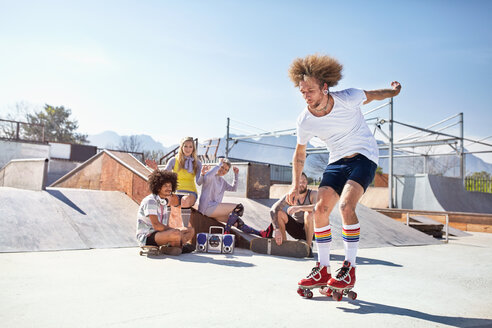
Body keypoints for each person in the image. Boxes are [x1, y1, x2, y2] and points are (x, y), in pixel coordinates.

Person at [286, 54, 401, 292]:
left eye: (310, 91)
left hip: (364, 157)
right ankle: (323, 267)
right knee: (319, 209)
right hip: (337, 161)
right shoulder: (305, 120)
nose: (306, 97)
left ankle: (349, 268)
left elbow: (374, 94)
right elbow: (299, 155)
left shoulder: (347, 98)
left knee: (346, 207)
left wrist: (394, 92)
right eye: (302, 92)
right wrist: (295, 184)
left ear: (325, 88)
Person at [136, 169, 195, 254]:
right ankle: (179, 246)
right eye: (165, 186)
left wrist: (176, 231)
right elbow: (156, 226)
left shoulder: (163, 202)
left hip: (161, 234)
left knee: (190, 230)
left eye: (170, 186)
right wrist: (175, 230)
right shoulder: (151, 201)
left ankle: (172, 247)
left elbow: (164, 227)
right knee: (176, 233)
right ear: (158, 187)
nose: (169, 188)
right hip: (147, 237)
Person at [197, 158, 262, 236]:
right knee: (239, 207)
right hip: (206, 207)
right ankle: (226, 232)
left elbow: (233, 188)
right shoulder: (210, 175)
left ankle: (260, 233)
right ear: (219, 166)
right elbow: (206, 177)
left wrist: (236, 175)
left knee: (237, 222)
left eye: (226, 170)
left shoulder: (222, 182)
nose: (223, 170)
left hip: (214, 210)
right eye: (222, 167)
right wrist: (219, 164)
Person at [261, 172, 317, 254]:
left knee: (308, 213)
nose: (301, 184)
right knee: (279, 213)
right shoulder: (290, 196)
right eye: (299, 182)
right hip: (295, 229)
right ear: (294, 184)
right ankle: (284, 244)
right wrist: (276, 229)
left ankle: (308, 247)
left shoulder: (313, 194)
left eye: (304, 181)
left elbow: (318, 207)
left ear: (307, 182)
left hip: (310, 230)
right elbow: (273, 209)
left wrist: (299, 208)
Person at [165, 137, 202, 227]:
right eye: (185, 146)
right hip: (176, 192)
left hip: (190, 193)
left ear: (193, 149)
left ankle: (184, 229)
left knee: (184, 200)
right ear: (181, 147)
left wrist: (204, 175)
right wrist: (155, 169)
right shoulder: (173, 160)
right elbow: (164, 175)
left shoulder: (197, 163)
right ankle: (165, 226)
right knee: (167, 199)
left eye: (190, 147)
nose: (188, 149)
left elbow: (199, 182)